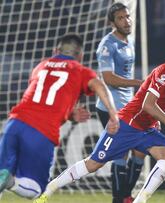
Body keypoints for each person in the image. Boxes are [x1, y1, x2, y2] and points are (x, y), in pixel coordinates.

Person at [33, 41, 165, 203]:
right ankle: (49, 189)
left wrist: (156, 120)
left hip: (146, 129)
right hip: (126, 125)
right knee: (93, 164)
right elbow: (147, 105)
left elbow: (163, 102)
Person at [0, 33, 119, 200]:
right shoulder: (80, 70)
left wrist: (69, 114)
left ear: (56, 50)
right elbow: (100, 86)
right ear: (80, 55)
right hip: (41, 132)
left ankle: (6, 178)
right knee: (36, 190)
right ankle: (11, 182)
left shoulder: (41, 66)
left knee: (1, 175)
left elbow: (42, 98)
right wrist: (113, 115)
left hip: (14, 124)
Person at [95, 3, 145, 203]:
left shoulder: (130, 40)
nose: (127, 21)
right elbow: (108, 78)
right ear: (112, 23)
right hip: (110, 108)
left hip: (128, 106)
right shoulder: (107, 45)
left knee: (140, 151)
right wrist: (138, 82)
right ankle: (120, 198)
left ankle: (125, 196)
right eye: (121, 18)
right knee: (120, 154)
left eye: (127, 16)